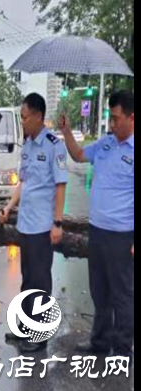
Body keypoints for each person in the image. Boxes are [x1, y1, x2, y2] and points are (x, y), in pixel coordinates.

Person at [59, 91, 134, 359]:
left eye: (116, 119)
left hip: (122, 236)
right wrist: (66, 131)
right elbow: (78, 155)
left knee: (122, 294)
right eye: (110, 119)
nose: (112, 125)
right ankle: (100, 341)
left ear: (132, 117)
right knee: (99, 290)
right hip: (98, 232)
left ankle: (123, 348)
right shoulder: (105, 144)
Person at [0, 93, 68, 353]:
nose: (23, 122)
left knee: (40, 282)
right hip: (25, 225)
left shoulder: (54, 146)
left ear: (39, 116)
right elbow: (23, 183)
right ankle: (25, 330)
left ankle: (39, 338)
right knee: (27, 280)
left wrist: (57, 223)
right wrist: (8, 206)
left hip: (42, 227)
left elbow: (61, 185)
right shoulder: (26, 146)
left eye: (25, 117)